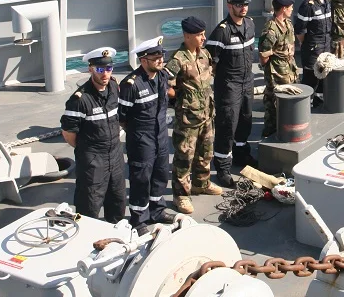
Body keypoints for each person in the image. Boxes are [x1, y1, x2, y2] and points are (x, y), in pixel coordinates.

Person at [164, 17, 223, 214]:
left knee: (205, 152)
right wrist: (181, 101)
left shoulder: (204, 54)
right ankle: (181, 195)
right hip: (188, 118)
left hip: (206, 113)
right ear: (187, 35)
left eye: (203, 34)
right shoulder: (178, 59)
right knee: (184, 157)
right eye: (199, 35)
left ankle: (202, 182)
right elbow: (166, 86)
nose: (203, 38)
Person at [60, 47, 125, 223]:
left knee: (118, 201)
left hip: (115, 155)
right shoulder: (80, 100)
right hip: (93, 160)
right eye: (100, 69)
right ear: (90, 69)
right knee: (90, 205)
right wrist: (88, 150)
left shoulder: (113, 87)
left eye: (108, 69)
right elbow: (68, 133)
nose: (105, 73)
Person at [119, 36, 173, 228]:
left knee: (160, 174)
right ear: (143, 60)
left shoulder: (162, 76)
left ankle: (156, 210)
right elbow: (122, 116)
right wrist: (137, 133)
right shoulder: (131, 85)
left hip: (161, 135)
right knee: (141, 179)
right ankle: (138, 218)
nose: (160, 60)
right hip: (141, 138)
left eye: (161, 55)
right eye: (155, 57)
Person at [205, 0, 257, 188]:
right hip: (229, 86)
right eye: (238, 4)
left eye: (245, 4)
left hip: (247, 82)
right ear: (229, 6)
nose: (243, 8)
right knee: (227, 126)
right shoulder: (221, 32)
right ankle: (223, 168)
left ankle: (241, 155)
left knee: (245, 121)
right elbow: (210, 61)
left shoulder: (250, 25)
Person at [258, 0, 298, 138]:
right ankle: (270, 132)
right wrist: (269, 69)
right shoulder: (270, 30)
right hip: (276, 72)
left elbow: (291, 44)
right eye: (290, 7)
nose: (292, 9)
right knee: (273, 103)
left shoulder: (287, 24)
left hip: (289, 68)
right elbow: (263, 55)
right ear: (283, 8)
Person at [294, 0, 333, 104]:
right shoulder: (307, 6)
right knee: (310, 77)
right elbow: (300, 30)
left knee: (324, 75)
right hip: (313, 47)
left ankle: (319, 98)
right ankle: (306, 103)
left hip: (326, 45)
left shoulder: (327, 1)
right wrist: (306, 45)